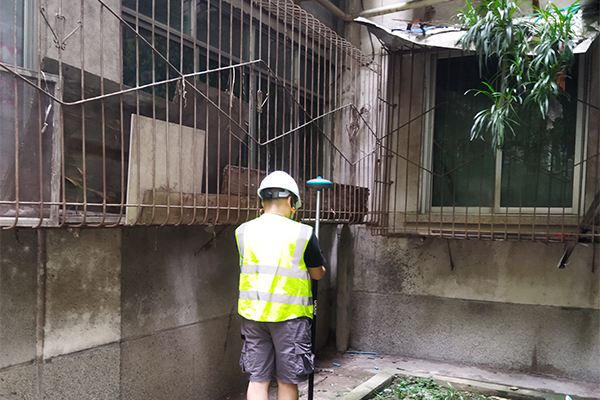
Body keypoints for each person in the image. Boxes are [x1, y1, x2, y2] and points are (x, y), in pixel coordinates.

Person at [235, 171, 326, 400]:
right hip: (290, 316)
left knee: (258, 379)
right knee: (287, 379)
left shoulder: (243, 231)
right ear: (290, 200)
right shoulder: (303, 233)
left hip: (253, 315)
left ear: (262, 200)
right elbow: (317, 274)